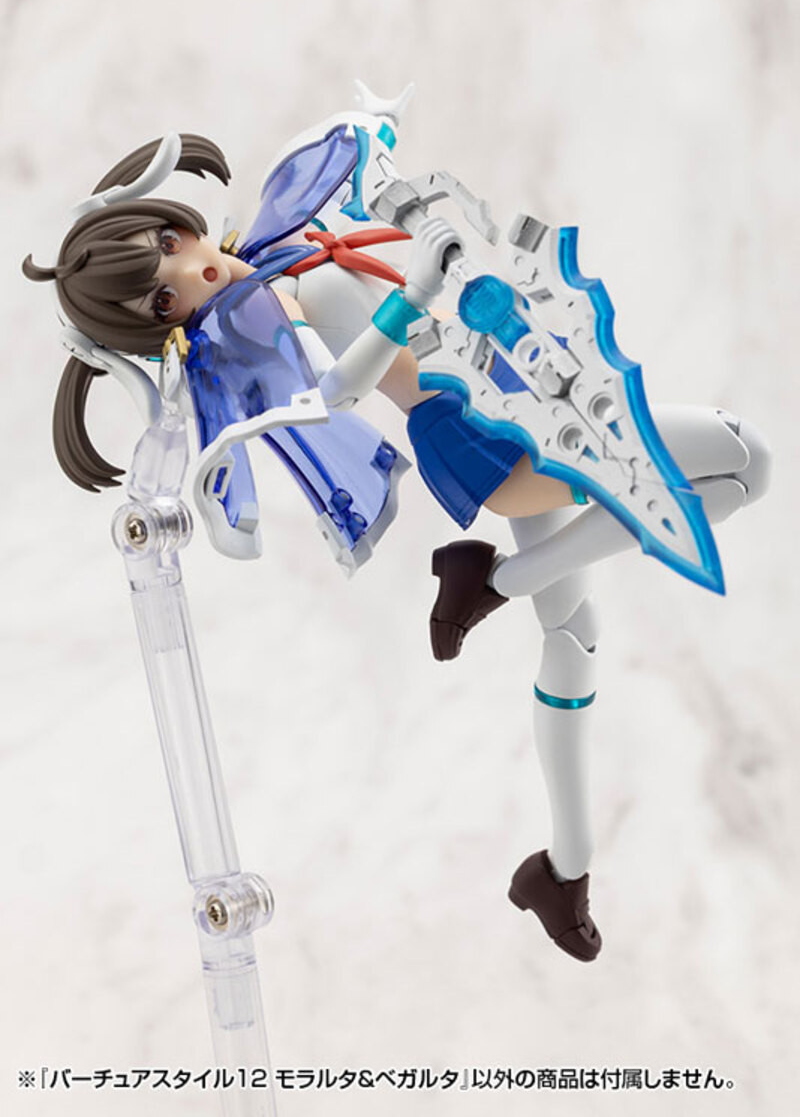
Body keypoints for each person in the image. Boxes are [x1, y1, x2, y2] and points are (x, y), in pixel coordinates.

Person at [24, 104, 771, 963]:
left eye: (168, 244)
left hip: (513, 389)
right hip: (492, 438)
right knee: (742, 462)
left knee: (573, 638)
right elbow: (335, 392)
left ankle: (562, 870)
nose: (193, 271)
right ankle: (493, 582)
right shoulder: (258, 314)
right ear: (163, 325)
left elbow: (377, 206)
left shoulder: (285, 244)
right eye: (165, 297)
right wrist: (412, 294)